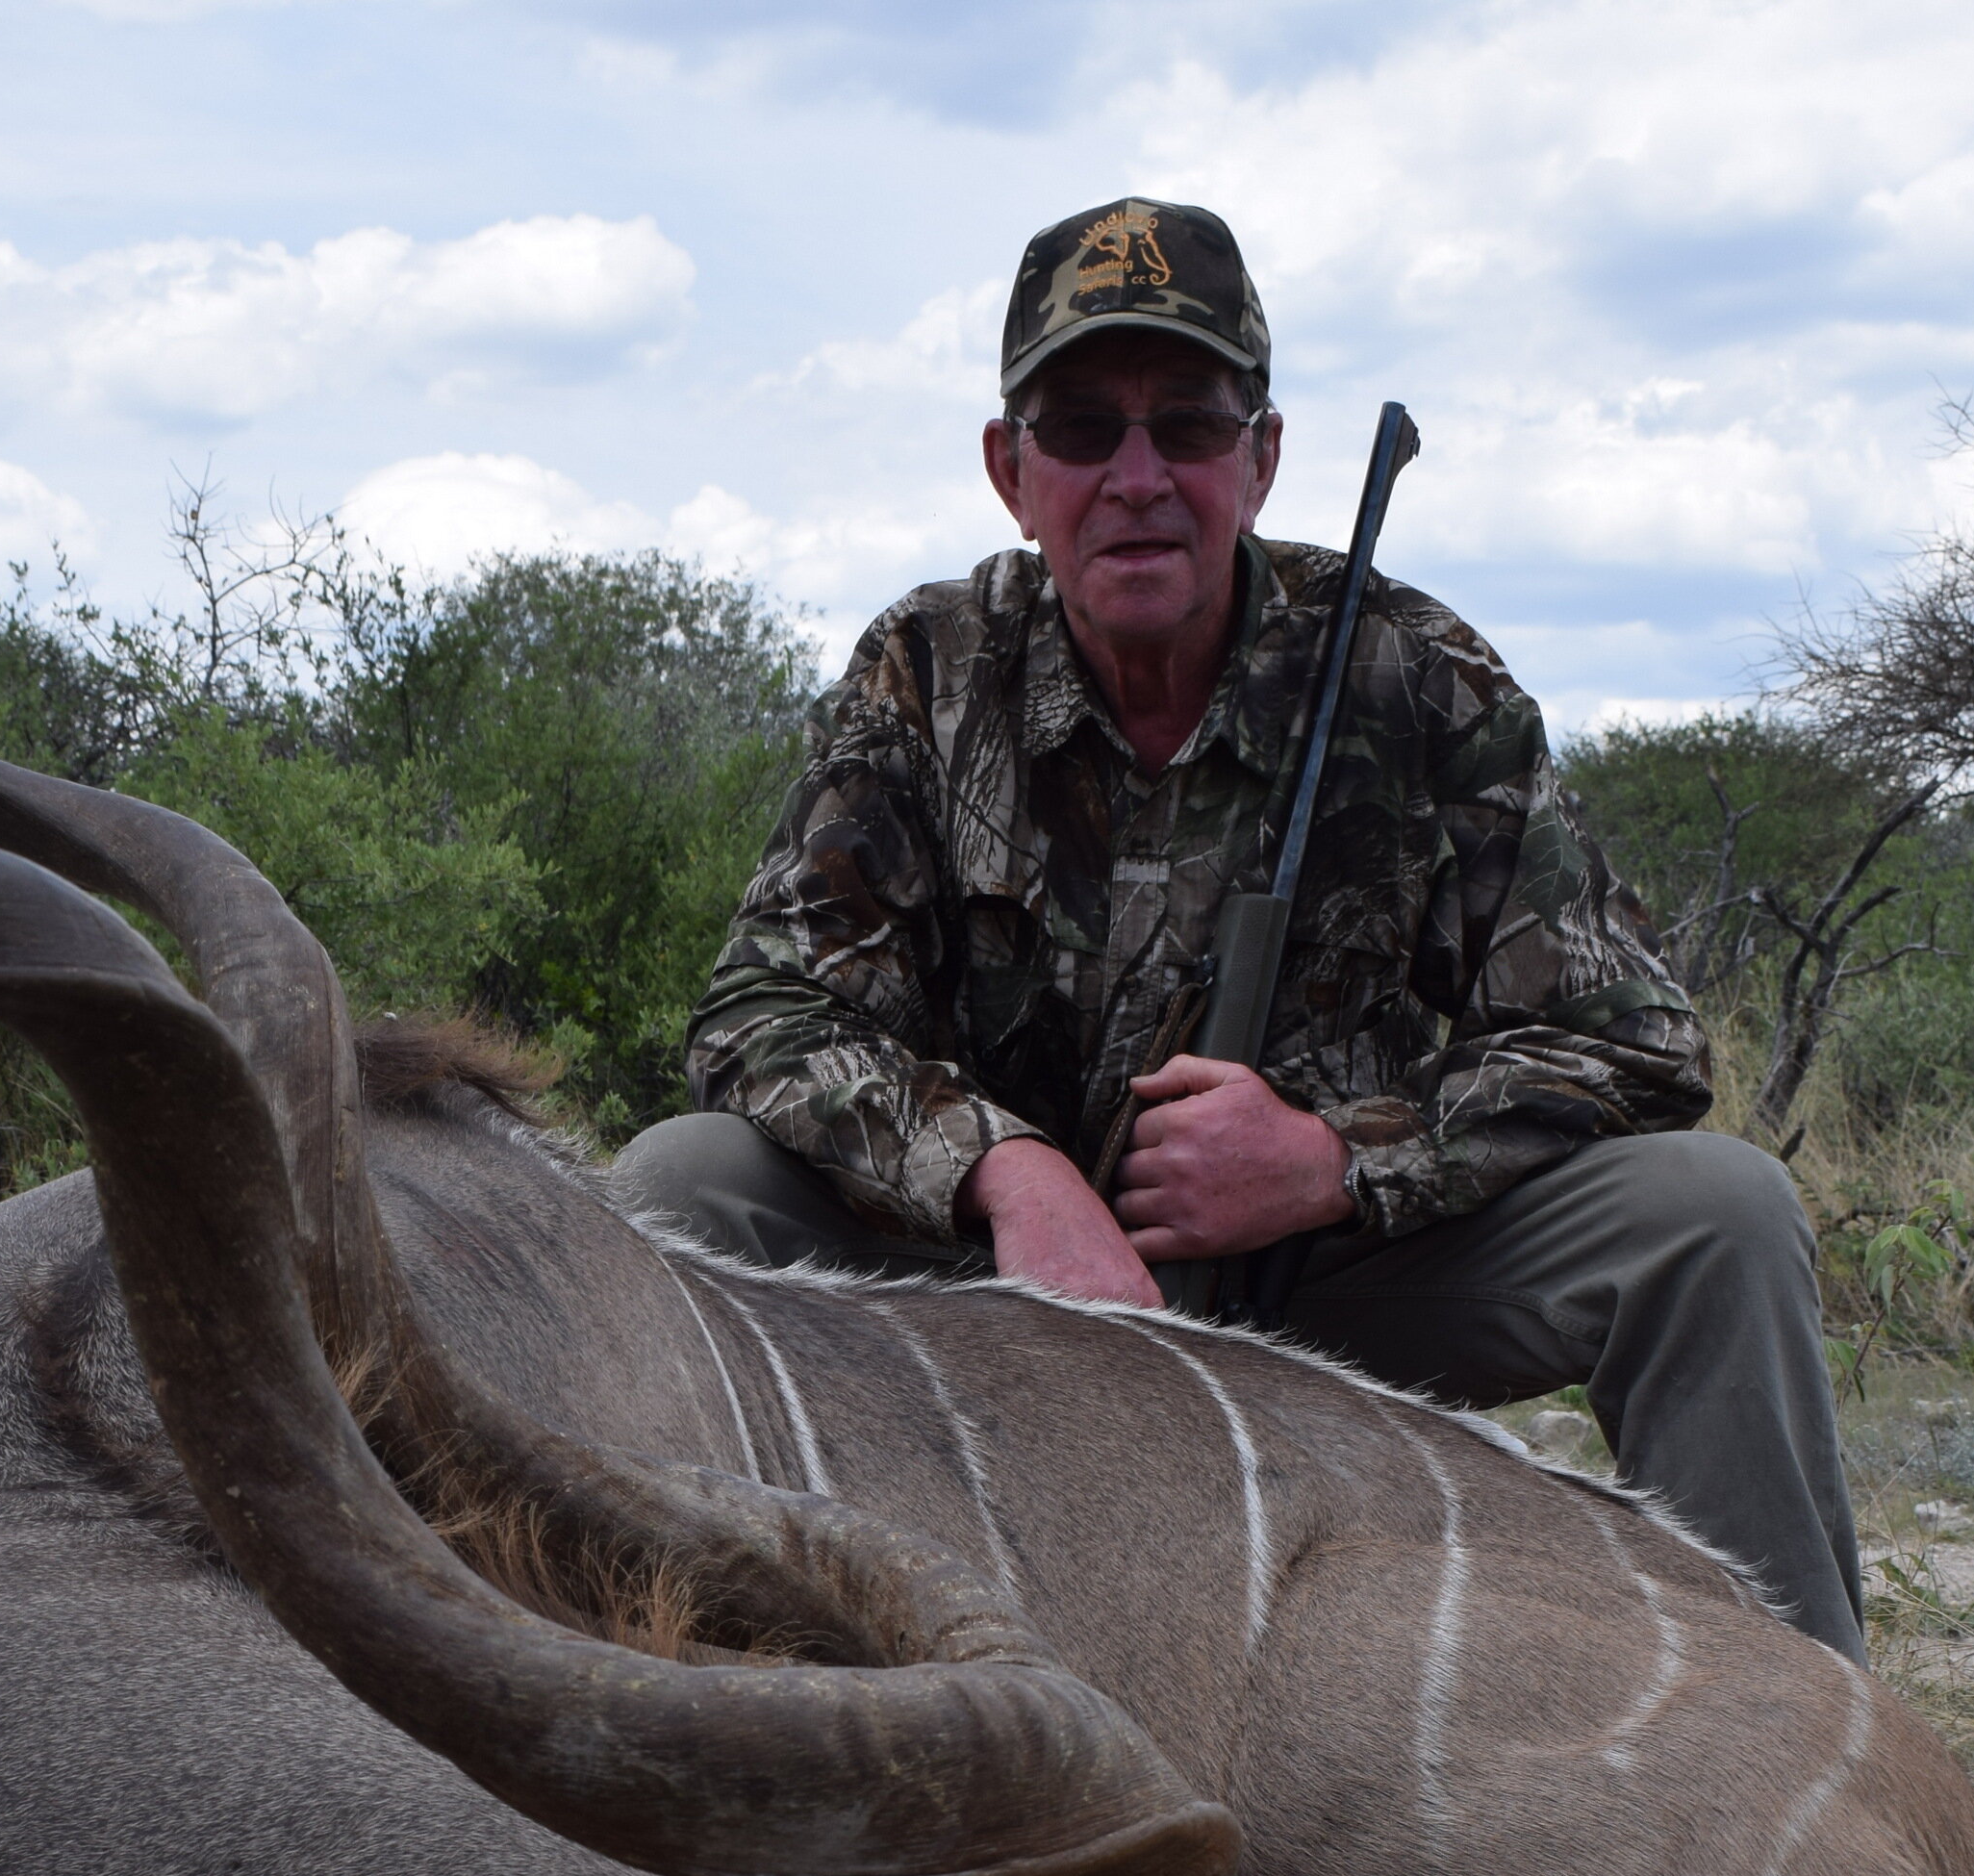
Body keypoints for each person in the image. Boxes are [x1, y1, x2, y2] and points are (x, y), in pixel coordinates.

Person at [615, 196, 1867, 1661]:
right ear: (1011, 472)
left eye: (1189, 426)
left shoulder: (1418, 673)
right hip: (994, 1308)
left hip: (1320, 1289)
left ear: (1261, 458)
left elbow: (1633, 1040)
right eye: (1082, 428)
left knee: (1717, 1217)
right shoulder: (928, 669)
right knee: (676, 1186)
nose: (1137, 476)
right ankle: (698, 1724)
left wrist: (1336, 1163)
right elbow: (763, 1010)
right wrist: (1003, 1174)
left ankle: (1817, 1752)